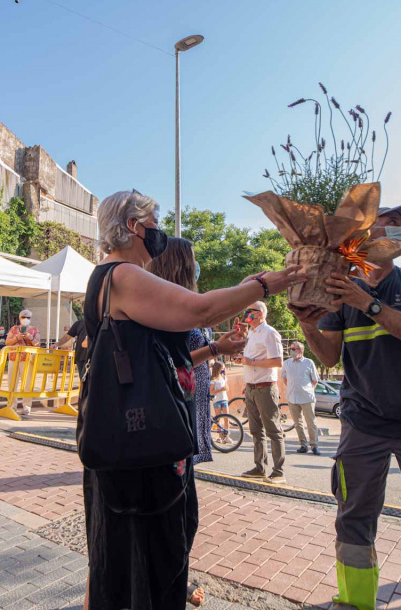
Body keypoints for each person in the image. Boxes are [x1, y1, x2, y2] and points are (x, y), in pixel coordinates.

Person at [80, 190, 303, 610]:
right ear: (133, 226)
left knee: (118, 558)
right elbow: (197, 311)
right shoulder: (123, 275)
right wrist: (263, 284)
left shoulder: (106, 278)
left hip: (126, 446)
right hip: (144, 450)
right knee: (152, 557)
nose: (158, 231)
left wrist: (216, 345)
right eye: (153, 221)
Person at [295, 202, 401, 610]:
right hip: (363, 422)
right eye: (387, 223)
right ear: (360, 238)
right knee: (353, 515)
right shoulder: (338, 288)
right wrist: (306, 322)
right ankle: (354, 601)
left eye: (400, 225)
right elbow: (329, 357)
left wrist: (367, 302)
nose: (397, 229)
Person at [147, 237, 247, 466]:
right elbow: (171, 361)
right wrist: (217, 349)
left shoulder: (184, 305)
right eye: (192, 260)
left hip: (192, 395)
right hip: (175, 402)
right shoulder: (165, 309)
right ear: (180, 266)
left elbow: (211, 313)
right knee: (177, 475)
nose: (196, 266)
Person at [239, 301, 287, 484]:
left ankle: (279, 472)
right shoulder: (251, 333)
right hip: (251, 387)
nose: (246, 314)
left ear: (259, 313)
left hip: (266, 387)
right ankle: (260, 467)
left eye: (249, 311)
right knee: (256, 431)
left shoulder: (270, 333)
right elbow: (252, 360)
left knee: (273, 431)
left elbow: (277, 361)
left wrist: (250, 362)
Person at [280, 341, 321, 455]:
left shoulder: (309, 362)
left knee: (311, 422)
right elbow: (284, 378)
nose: (291, 351)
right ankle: (303, 445)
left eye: (294, 349)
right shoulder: (287, 363)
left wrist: (308, 390)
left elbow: (315, 380)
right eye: (291, 348)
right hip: (292, 397)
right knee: (297, 423)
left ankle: (314, 445)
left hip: (306, 397)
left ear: (301, 350)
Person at [5, 309, 40, 416]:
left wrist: (30, 337)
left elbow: (37, 344)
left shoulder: (34, 329)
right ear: (19, 318)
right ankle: (12, 405)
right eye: (23, 317)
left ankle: (27, 407)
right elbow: (7, 342)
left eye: (28, 318)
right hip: (13, 358)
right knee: (12, 382)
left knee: (27, 383)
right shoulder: (14, 329)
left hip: (27, 359)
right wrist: (17, 337)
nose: (25, 319)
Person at [210, 361, 230, 441]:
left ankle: (227, 436)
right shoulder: (213, 380)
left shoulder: (223, 377)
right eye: (222, 368)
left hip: (224, 399)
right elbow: (211, 391)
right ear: (218, 369)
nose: (223, 370)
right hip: (217, 400)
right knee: (218, 419)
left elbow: (227, 388)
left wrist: (225, 387)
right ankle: (220, 436)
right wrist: (220, 389)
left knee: (227, 418)